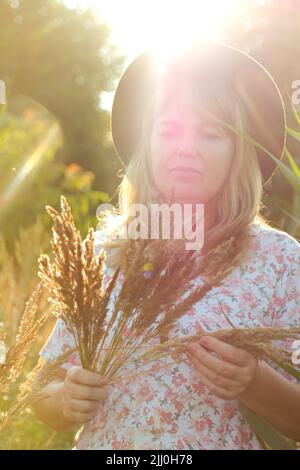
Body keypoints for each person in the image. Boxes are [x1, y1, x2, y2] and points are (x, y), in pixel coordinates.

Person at [34, 41, 300, 450]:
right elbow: (42, 389)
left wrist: (257, 384)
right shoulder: (106, 254)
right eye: (169, 130)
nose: (186, 149)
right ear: (148, 143)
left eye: (211, 134)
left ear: (237, 153)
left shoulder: (279, 261)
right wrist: (65, 399)